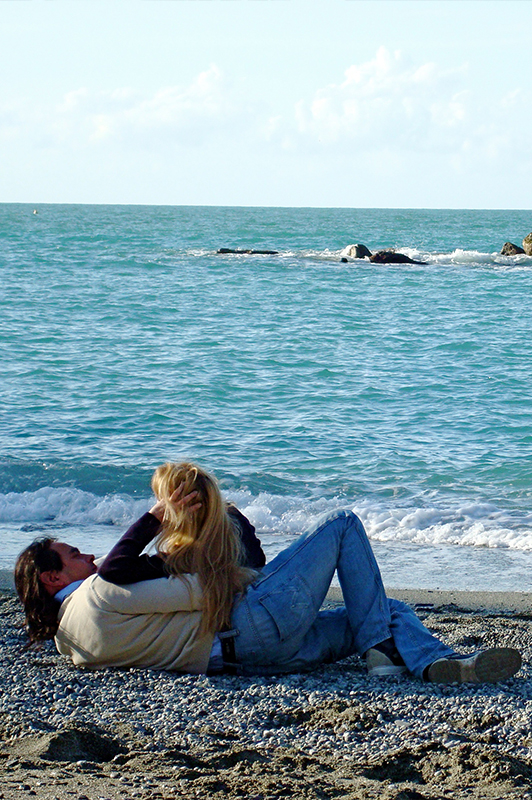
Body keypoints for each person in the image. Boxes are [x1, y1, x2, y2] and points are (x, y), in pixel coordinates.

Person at [15, 462, 522, 684]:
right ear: (52, 578)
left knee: (384, 610)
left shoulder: (70, 641)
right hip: (255, 627)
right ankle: (387, 654)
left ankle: (431, 663)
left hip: (260, 660)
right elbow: (237, 582)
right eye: (76, 554)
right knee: (342, 524)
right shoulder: (104, 594)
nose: (91, 558)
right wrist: (200, 517)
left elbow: (143, 580)